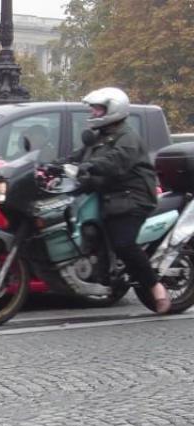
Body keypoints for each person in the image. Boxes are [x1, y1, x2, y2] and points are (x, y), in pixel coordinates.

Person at [73, 87, 170, 313]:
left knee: (124, 243)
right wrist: (51, 166)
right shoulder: (100, 136)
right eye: (94, 109)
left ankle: (155, 286)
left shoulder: (127, 138)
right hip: (109, 196)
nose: (94, 113)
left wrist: (89, 166)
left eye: (98, 109)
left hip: (132, 197)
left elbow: (115, 162)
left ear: (113, 110)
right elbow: (78, 156)